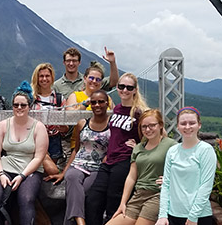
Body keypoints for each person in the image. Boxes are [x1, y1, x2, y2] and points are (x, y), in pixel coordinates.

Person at [85, 73, 148, 225]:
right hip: (109, 160)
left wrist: (139, 147)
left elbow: (159, 133)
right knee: (93, 199)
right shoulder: (117, 109)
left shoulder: (140, 112)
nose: (124, 90)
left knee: (114, 201)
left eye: (129, 87)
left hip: (125, 161)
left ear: (135, 90)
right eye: (121, 86)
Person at [0, 81, 49, 225]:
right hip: (6, 167)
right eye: (16, 105)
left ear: (30, 106)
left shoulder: (38, 127)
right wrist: (1, 174)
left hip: (29, 169)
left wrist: (22, 176)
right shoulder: (3, 125)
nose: (19, 108)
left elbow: (39, 157)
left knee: (26, 198)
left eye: (23, 105)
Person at [47, 90, 111, 225]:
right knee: (71, 178)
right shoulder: (82, 123)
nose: (97, 105)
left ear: (107, 103)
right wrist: (64, 171)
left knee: (82, 193)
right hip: (78, 165)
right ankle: (81, 222)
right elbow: (76, 149)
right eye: (93, 102)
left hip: (97, 168)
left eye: (100, 102)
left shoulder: (112, 127)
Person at [108, 110, 177, 225]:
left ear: (160, 125)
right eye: (144, 126)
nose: (148, 129)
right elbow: (132, 176)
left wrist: (172, 180)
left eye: (152, 125)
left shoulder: (171, 145)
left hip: (157, 195)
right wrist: (123, 203)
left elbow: (184, 168)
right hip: (138, 196)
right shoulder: (138, 148)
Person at [156, 107, 217, 225]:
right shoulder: (172, 151)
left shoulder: (205, 150)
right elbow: (166, 184)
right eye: (183, 123)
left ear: (199, 125)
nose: (187, 127)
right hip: (172, 214)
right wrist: (162, 214)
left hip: (198, 216)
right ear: (178, 126)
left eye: (192, 123)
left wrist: (193, 217)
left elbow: (206, 186)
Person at [30, 63, 68, 171]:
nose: (44, 79)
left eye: (47, 76)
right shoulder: (30, 98)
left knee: (49, 173)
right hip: (34, 139)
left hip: (54, 140)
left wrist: (63, 127)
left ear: (52, 78)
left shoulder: (60, 99)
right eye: (41, 76)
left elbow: (65, 128)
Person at [53, 47, 119, 96]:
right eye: (68, 61)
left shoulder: (90, 81)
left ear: (79, 63)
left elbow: (113, 82)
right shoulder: (56, 86)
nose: (71, 63)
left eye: (74, 61)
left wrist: (112, 62)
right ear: (64, 62)